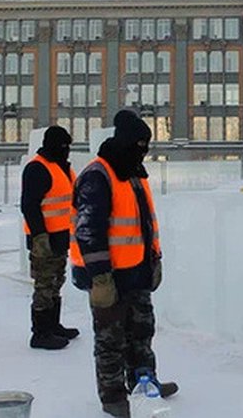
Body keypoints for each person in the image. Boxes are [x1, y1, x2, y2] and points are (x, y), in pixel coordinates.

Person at [71, 110, 177, 418]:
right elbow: (88, 230)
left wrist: (154, 259)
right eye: (140, 144)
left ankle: (144, 380)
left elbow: (142, 224)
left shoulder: (133, 173)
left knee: (142, 332)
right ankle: (113, 395)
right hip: (109, 276)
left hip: (138, 272)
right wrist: (100, 277)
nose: (143, 151)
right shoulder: (98, 175)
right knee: (111, 339)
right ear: (126, 142)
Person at [20, 126, 79, 350]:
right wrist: (39, 237)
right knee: (44, 285)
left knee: (56, 282)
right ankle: (41, 333)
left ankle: (53, 325)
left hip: (62, 237)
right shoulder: (37, 168)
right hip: (43, 240)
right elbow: (29, 206)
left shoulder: (61, 167)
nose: (66, 150)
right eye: (63, 146)